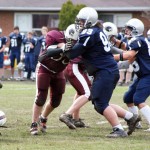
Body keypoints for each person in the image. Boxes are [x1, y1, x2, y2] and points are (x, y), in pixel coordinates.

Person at [48, 7, 141, 138]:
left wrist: (64, 47)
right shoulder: (96, 30)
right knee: (101, 102)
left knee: (100, 104)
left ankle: (119, 130)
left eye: (82, 21)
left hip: (105, 71)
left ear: (89, 21)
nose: (79, 23)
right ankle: (130, 117)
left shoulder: (89, 32)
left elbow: (73, 53)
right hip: (107, 70)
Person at [30, 24, 79, 135]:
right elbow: (50, 51)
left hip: (58, 71)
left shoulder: (79, 44)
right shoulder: (55, 35)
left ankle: (43, 118)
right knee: (41, 97)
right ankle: (33, 123)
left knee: (56, 101)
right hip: (45, 68)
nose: (73, 42)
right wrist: (62, 47)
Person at [113, 18, 150, 132]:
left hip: (148, 74)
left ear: (135, 30)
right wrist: (114, 40)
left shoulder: (137, 40)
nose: (126, 31)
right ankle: (136, 121)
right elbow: (126, 46)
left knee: (138, 99)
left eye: (129, 29)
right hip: (141, 75)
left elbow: (129, 54)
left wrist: (109, 58)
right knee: (128, 98)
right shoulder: (134, 40)